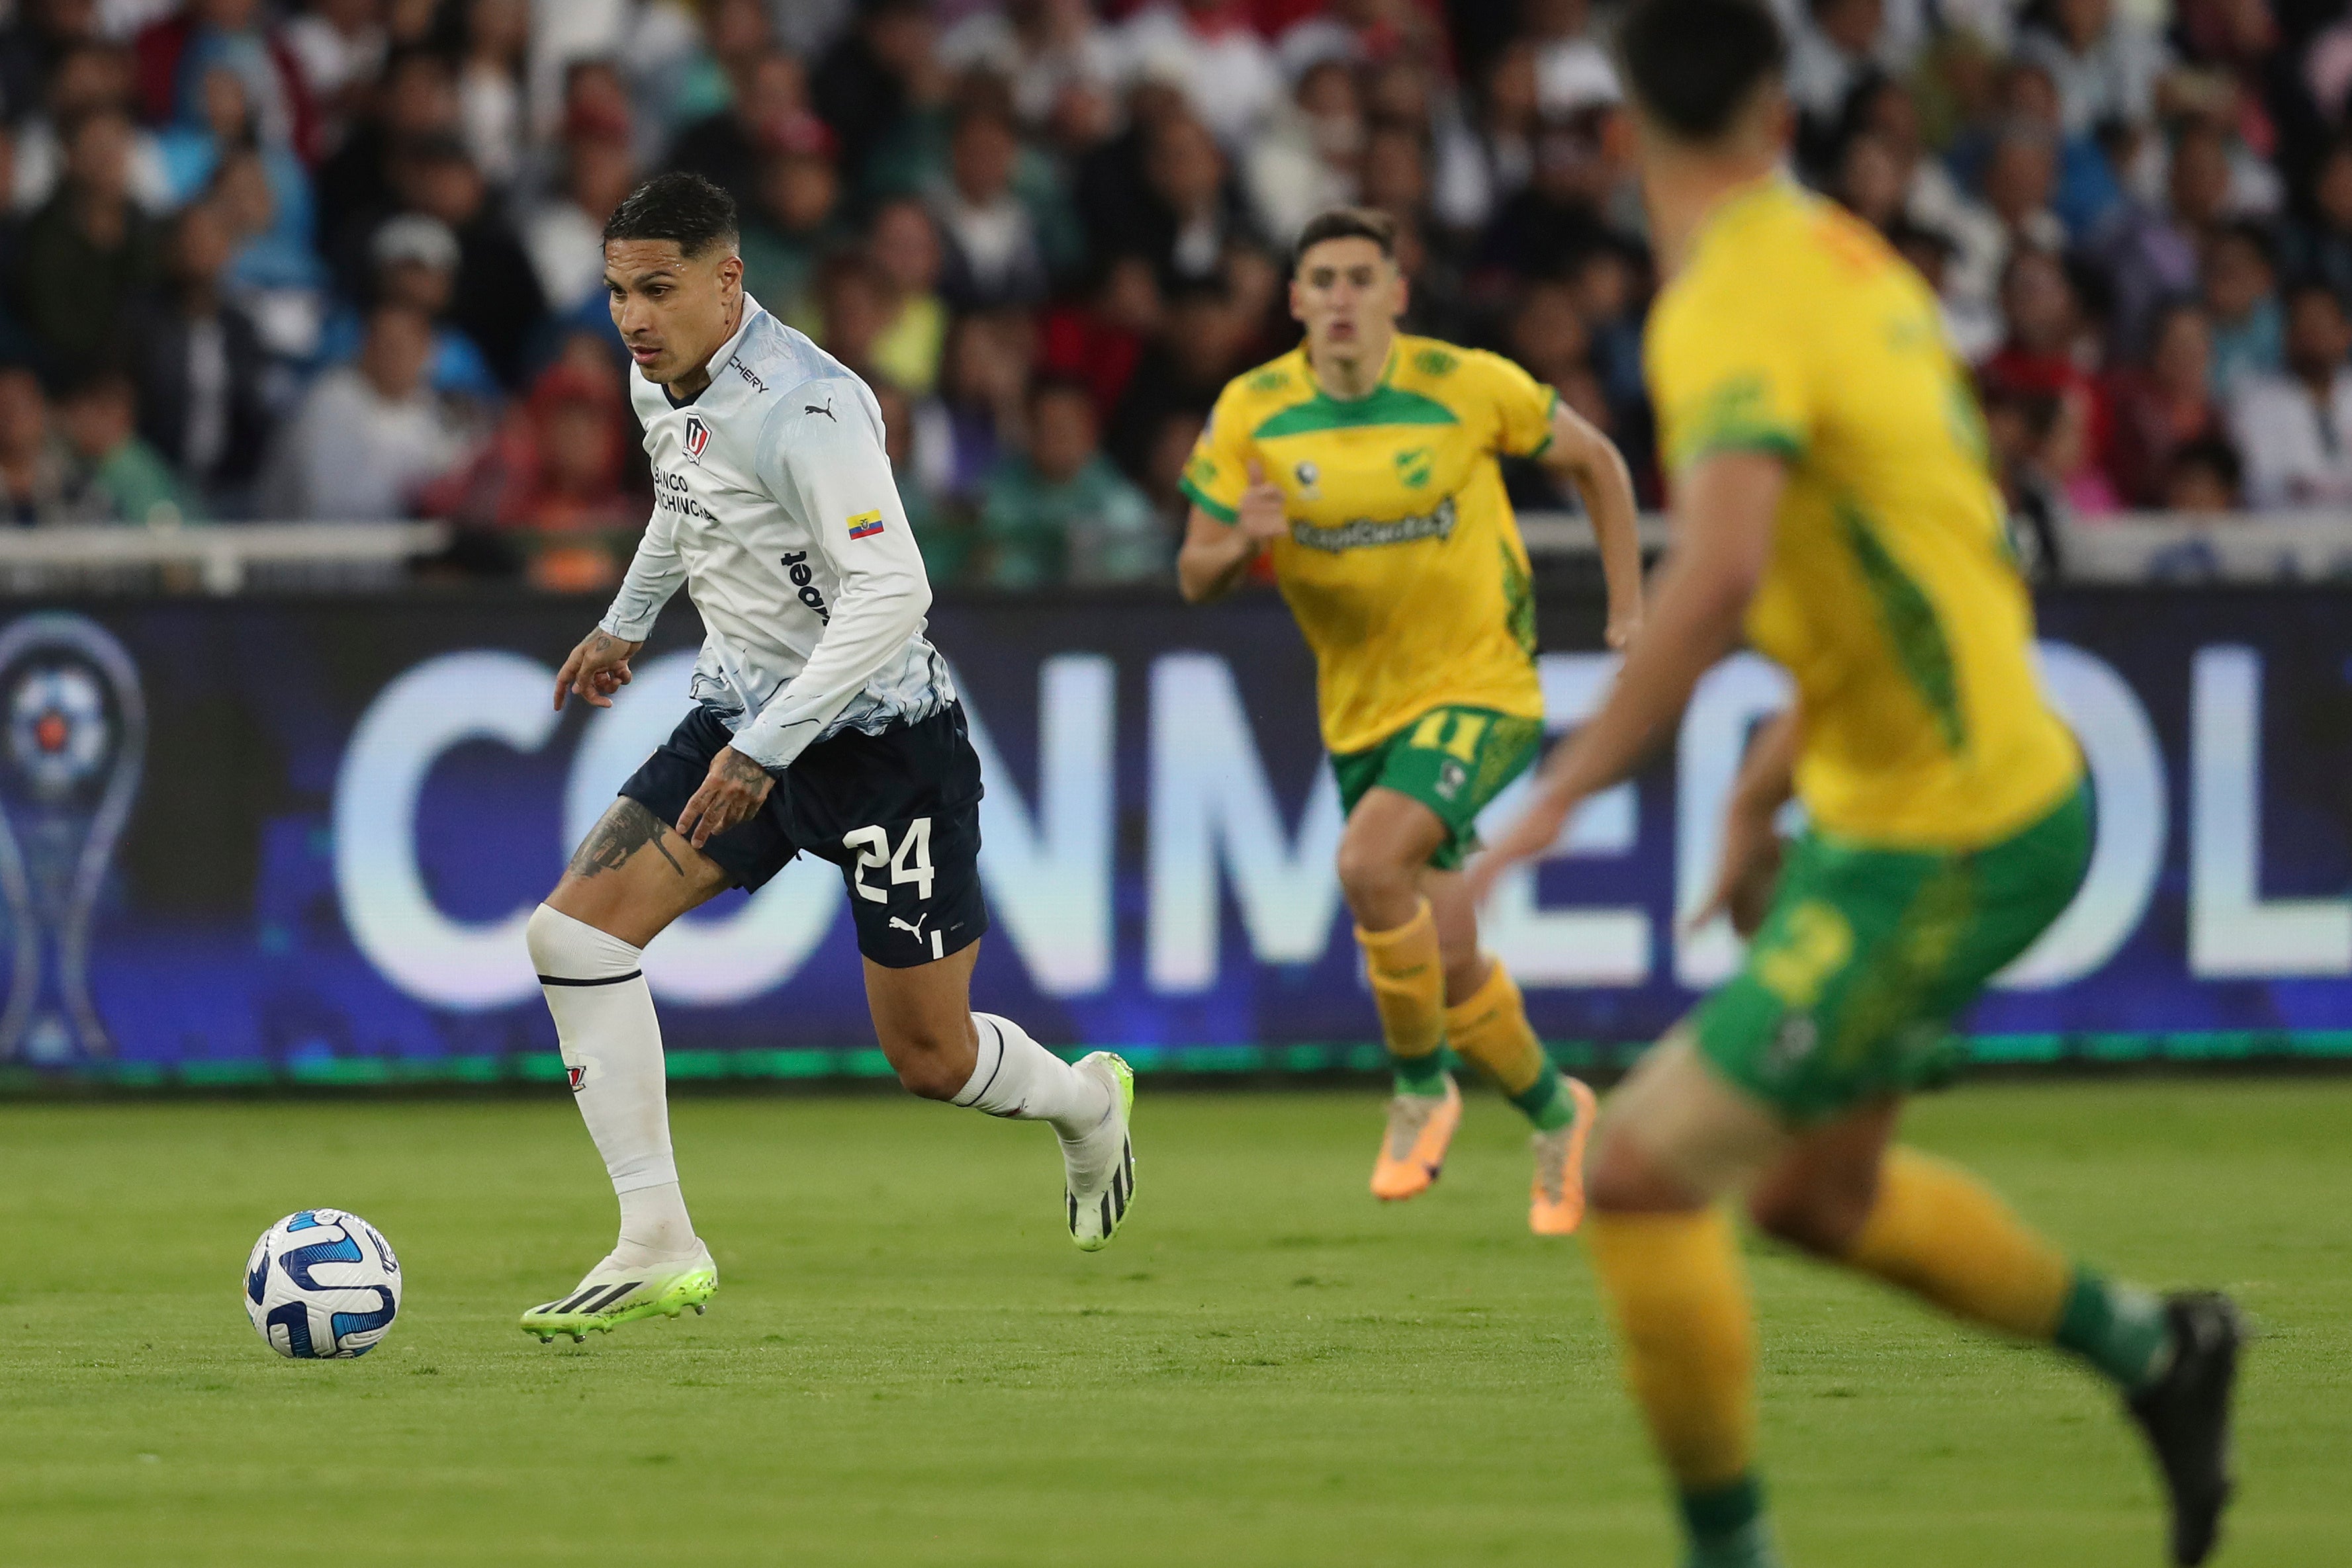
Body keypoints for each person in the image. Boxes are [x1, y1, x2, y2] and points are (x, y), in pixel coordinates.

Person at [1465, 5, 2243, 1565]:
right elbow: (1902, 552)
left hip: (1951, 828)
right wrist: (1766, 783)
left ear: (1623, 137)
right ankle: (2165, 1354)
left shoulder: (1722, 310)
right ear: (1779, 111)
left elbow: (1726, 569)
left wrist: (1564, 794)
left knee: (1638, 1176)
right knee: (1817, 1199)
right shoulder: (1854, 263)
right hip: (1935, 784)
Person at [520, 173, 1137, 1343]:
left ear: (727, 280)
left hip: (883, 747)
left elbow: (895, 589)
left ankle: (1087, 1099)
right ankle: (658, 1238)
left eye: (656, 290)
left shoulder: (807, 409)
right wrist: (628, 621)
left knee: (930, 1055)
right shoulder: (663, 378)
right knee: (574, 933)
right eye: (616, 295)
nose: (633, 319)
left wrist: (766, 745)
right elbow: (681, 489)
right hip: (743, 722)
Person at [1175, 206, 1644, 1236]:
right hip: (1362, 713)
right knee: (1454, 959)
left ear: (1396, 291)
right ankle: (1557, 1109)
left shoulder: (1469, 385)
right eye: (1322, 281)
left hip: (1485, 685)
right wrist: (1235, 544)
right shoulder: (1252, 410)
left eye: (1360, 278)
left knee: (1365, 864)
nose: (1341, 298)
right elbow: (1194, 571)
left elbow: (1598, 462)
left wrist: (1626, 606)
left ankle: (1418, 1087)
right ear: (1295, 300)